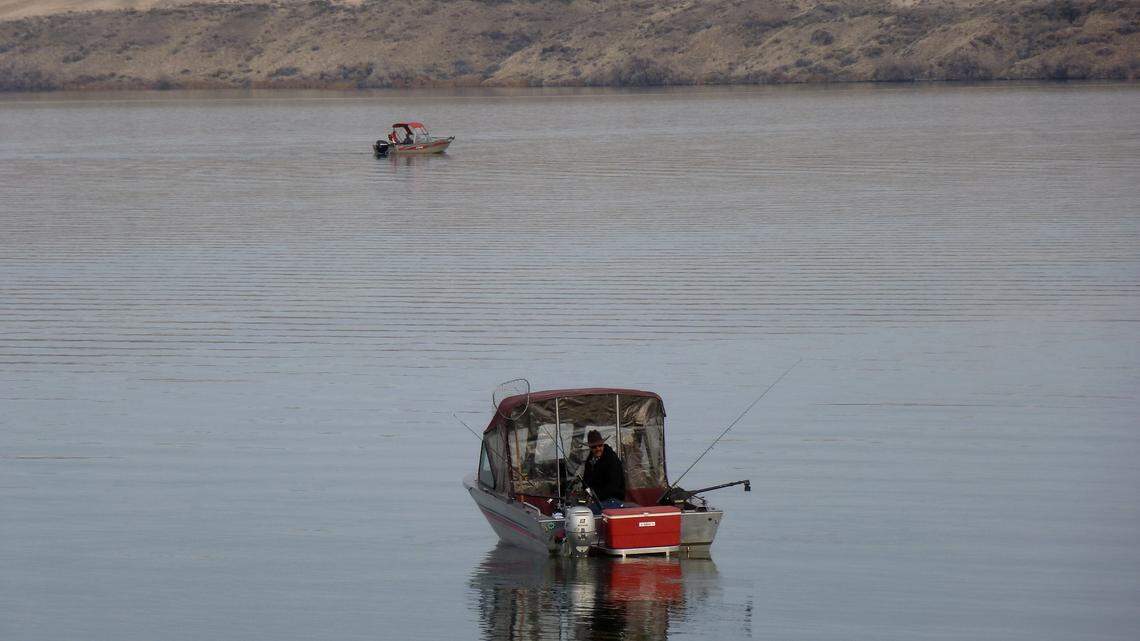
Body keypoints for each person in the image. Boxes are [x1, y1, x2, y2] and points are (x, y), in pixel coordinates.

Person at [582, 430, 626, 514]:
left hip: (612, 499)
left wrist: (595, 496)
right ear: (590, 447)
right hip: (598, 500)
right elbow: (586, 481)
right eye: (594, 447)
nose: (598, 448)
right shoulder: (590, 460)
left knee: (586, 513)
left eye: (600, 445)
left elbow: (613, 487)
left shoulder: (612, 460)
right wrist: (587, 493)